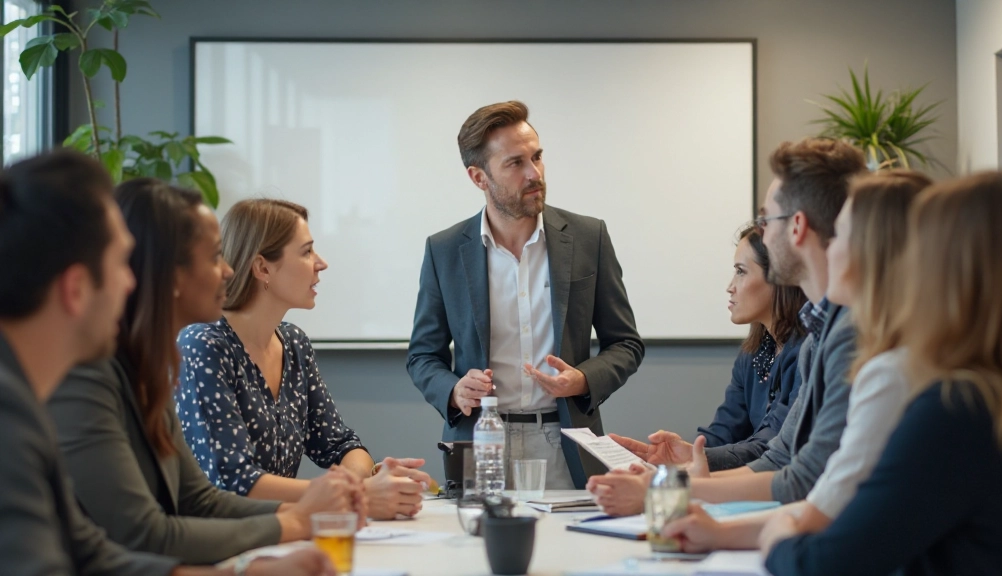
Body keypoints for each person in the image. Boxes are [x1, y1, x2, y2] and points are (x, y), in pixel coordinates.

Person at [0, 150, 332, 575]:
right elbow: (139, 534)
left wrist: (244, 572)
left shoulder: (118, 375)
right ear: (77, 289)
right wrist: (293, 523)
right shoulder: (19, 408)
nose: (133, 279)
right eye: (122, 263)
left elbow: (93, 554)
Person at [761, 171, 1002, 575]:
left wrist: (778, 534)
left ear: (952, 270)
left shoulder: (958, 409)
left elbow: (824, 564)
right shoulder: (997, 394)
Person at [588, 138, 864, 514]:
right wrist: (673, 478)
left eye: (767, 221)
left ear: (797, 226)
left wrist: (664, 490)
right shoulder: (818, 336)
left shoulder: (849, 335)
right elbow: (780, 458)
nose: (762, 232)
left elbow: (802, 476)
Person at [663, 170, 932, 552]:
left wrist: (679, 488)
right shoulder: (796, 346)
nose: (830, 249)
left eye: (841, 235)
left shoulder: (869, 356)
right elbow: (783, 458)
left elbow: (813, 490)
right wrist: (692, 471)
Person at [406, 100, 645, 489]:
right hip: (479, 442)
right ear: (478, 177)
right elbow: (422, 356)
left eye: (537, 157)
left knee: (572, 551)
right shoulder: (445, 250)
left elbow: (626, 344)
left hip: (566, 442)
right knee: (474, 549)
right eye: (515, 163)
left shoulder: (588, 238)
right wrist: (452, 390)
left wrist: (582, 379)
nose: (535, 173)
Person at [177, 198, 430, 520]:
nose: (321, 263)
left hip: (280, 532)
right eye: (307, 251)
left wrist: (369, 478)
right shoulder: (203, 345)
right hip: (218, 543)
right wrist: (359, 493)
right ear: (262, 268)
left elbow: (339, 445)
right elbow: (234, 480)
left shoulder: (294, 342)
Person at [609, 224, 807, 473]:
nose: (730, 286)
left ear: (778, 277)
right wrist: (685, 453)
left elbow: (771, 446)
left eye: (741, 272)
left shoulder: (806, 352)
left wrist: (695, 459)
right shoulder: (753, 353)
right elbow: (723, 432)